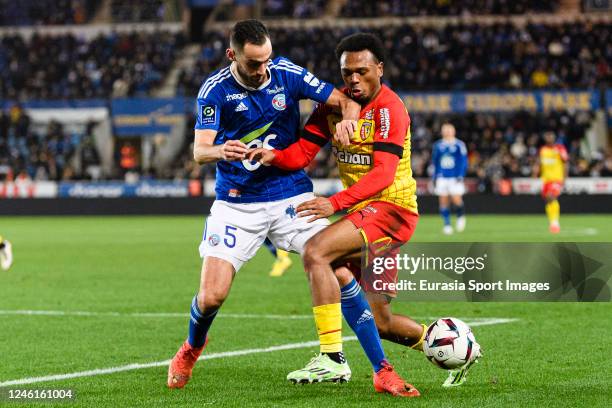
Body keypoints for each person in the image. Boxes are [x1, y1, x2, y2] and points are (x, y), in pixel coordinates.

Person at [167, 19, 362, 389]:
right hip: (238, 203)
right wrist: (220, 150)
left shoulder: (286, 73)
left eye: (267, 59)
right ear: (232, 55)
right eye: (254, 63)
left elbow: (343, 100)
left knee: (339, 271)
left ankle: (346, 357)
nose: (263, 70)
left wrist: (348, 122)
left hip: (291, 193)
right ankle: (191, 348)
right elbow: (199, 150)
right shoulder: (215, 90)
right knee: (211, 296)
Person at [250, 32, 432, 395]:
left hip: (391, 211)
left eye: (362, 71)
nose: (353, 80)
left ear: (379, 68)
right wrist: (273, 156)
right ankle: (444, 342)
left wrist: (333, 203)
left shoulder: (389, 108)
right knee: (382, 322)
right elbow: (303, 152)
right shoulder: (334, 106)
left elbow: (382, 174)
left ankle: (331, 359)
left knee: (317, 251)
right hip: (365, 215)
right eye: (347, 72)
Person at [431, 123, 468, 235]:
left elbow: (463, 161)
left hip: (454, 177)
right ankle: (447, 225)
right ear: (442, 132)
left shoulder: (459, 145)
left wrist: (461, 175)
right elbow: (435, 162)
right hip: (442, 177)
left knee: (456, 199)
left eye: (449, 130)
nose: (447, 132)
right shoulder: (438, 145)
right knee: (443, 201)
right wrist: (434, 176)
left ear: (453, 131)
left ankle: (460, 216)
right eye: (445, 130)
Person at [536, 131, 568, 233]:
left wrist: (564, 178)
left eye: (551, 137)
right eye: (547, 137)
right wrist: (537, 172)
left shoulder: (559, 148)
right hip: (546, 179)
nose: (549, 138)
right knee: (548, 200)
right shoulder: (543, 150)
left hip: (557, 179)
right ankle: (552, 222)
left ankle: (555, 223)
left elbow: (565, 163)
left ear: (554, 138)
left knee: (551, 196)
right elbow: (540, 164)